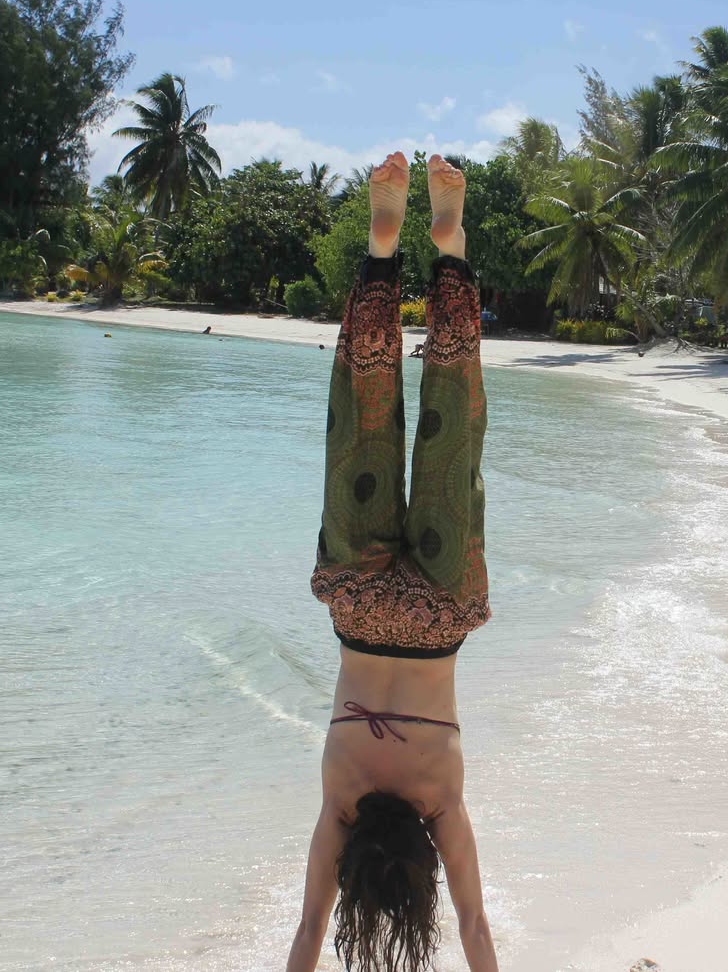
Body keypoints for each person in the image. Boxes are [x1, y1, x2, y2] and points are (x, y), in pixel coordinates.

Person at [287, 153, 499, 972]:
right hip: (358, 606)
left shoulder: (439, 802)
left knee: (456, 428)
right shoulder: (339, 806)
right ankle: (383, 254)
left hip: (442, 614)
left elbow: (477, 934)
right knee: (361, 426)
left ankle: (449, 251)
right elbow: (307, 938)